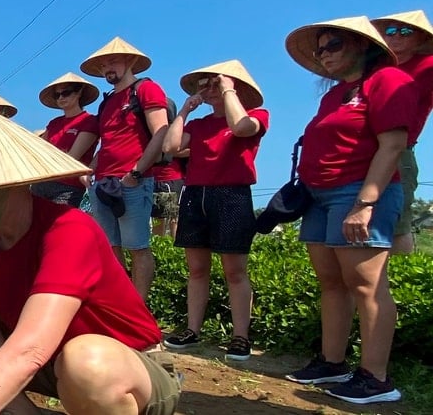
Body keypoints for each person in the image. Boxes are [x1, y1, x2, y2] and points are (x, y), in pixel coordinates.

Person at [0, 107, 181, 415]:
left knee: (86, 362)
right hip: (52, 360)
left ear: (17, 184)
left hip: (127, 367)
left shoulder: (69, 229)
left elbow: (29, 350)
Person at [282, 16, 415, 404]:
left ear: (362, 45)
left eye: (334, 45)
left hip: (357, 193)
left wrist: (366, 202)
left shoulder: (388, 81)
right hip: (320, 196)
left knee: (367, 284)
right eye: (321, 48)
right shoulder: (334, 95)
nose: (324, 54)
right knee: (331, 282)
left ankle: (376, 378)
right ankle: (332, 361)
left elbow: (392, 145)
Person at [161, 60, 269, 362]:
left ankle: (240, 336)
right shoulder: (198, 125)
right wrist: (184, 111)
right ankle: (193, 329)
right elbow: (170, 146)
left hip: (232, 194)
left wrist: (229, 90)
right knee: (197, 269)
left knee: (234, 270)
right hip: (197, 195)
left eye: (215, 85)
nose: (209, 91)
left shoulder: (257, 115)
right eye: (204, 85)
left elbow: (241, 127)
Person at [81, 37, 169, 301]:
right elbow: (108, 141)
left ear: (130, 61)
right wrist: (91, 168)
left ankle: (139, 307)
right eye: (104, 64)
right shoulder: (106, 102)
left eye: (114, 61)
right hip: (103, 182)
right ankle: (122, 305)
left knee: (138, 247)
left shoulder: (146, 90)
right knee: (111, 248)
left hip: (132, 182)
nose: (108, 67)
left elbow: (160, 133)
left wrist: (137, 173)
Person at [371, 10, 433, 255]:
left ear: (419, 39)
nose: (396, 36)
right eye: (390, 31)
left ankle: (401, 276)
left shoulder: (428, 65)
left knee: (398, 220)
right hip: (365, 150)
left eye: (405, 31)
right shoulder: (376, 66)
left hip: (399, 151)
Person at [34, 72, 100, 207]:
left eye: (66, 93)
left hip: (68, 186)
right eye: (57, 95)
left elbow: (71, 158)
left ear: (79, 93)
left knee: (60, 225)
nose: (61, 98)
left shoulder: (89, 121)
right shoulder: (54, 123)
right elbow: (39, 150)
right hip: (42, 182)